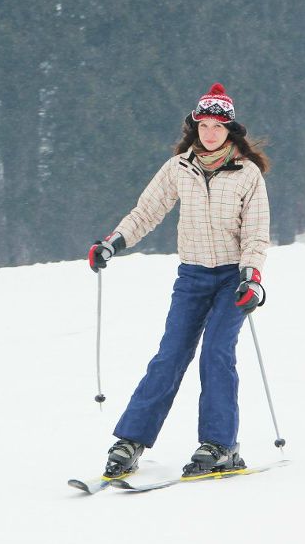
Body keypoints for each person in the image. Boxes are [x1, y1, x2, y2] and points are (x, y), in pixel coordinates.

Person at [87, 82, 270, 478]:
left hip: (230, 280)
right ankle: (130, 441)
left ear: (230, 130)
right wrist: (112, 242)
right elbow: (146, 211)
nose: (209, 133)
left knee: (216, 354)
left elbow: (256, 233)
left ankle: (219, 445)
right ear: (195, 127)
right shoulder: (179, 167)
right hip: (192, 277)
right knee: (169, 357)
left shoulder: (247, 174)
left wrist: (251, 278)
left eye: (217, 126)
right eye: (203, 125)